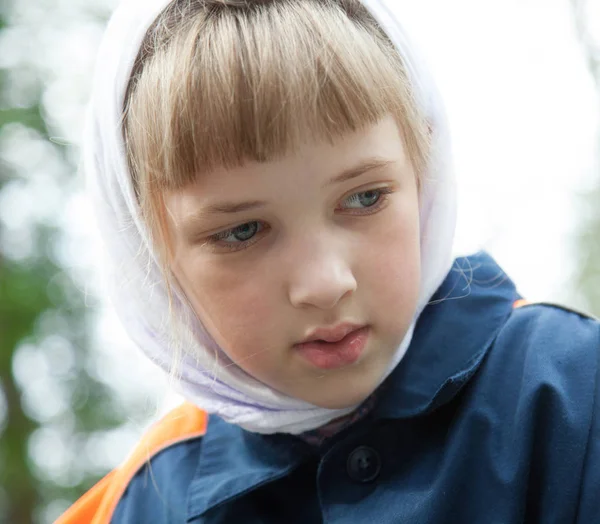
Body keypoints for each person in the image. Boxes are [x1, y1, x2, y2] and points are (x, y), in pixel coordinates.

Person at [57, 0, 600, 522]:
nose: (324, 283)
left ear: (423, 171)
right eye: (243, 231)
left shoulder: (571, 392)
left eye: (364, 198)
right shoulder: (145, 501)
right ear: (153, 252)